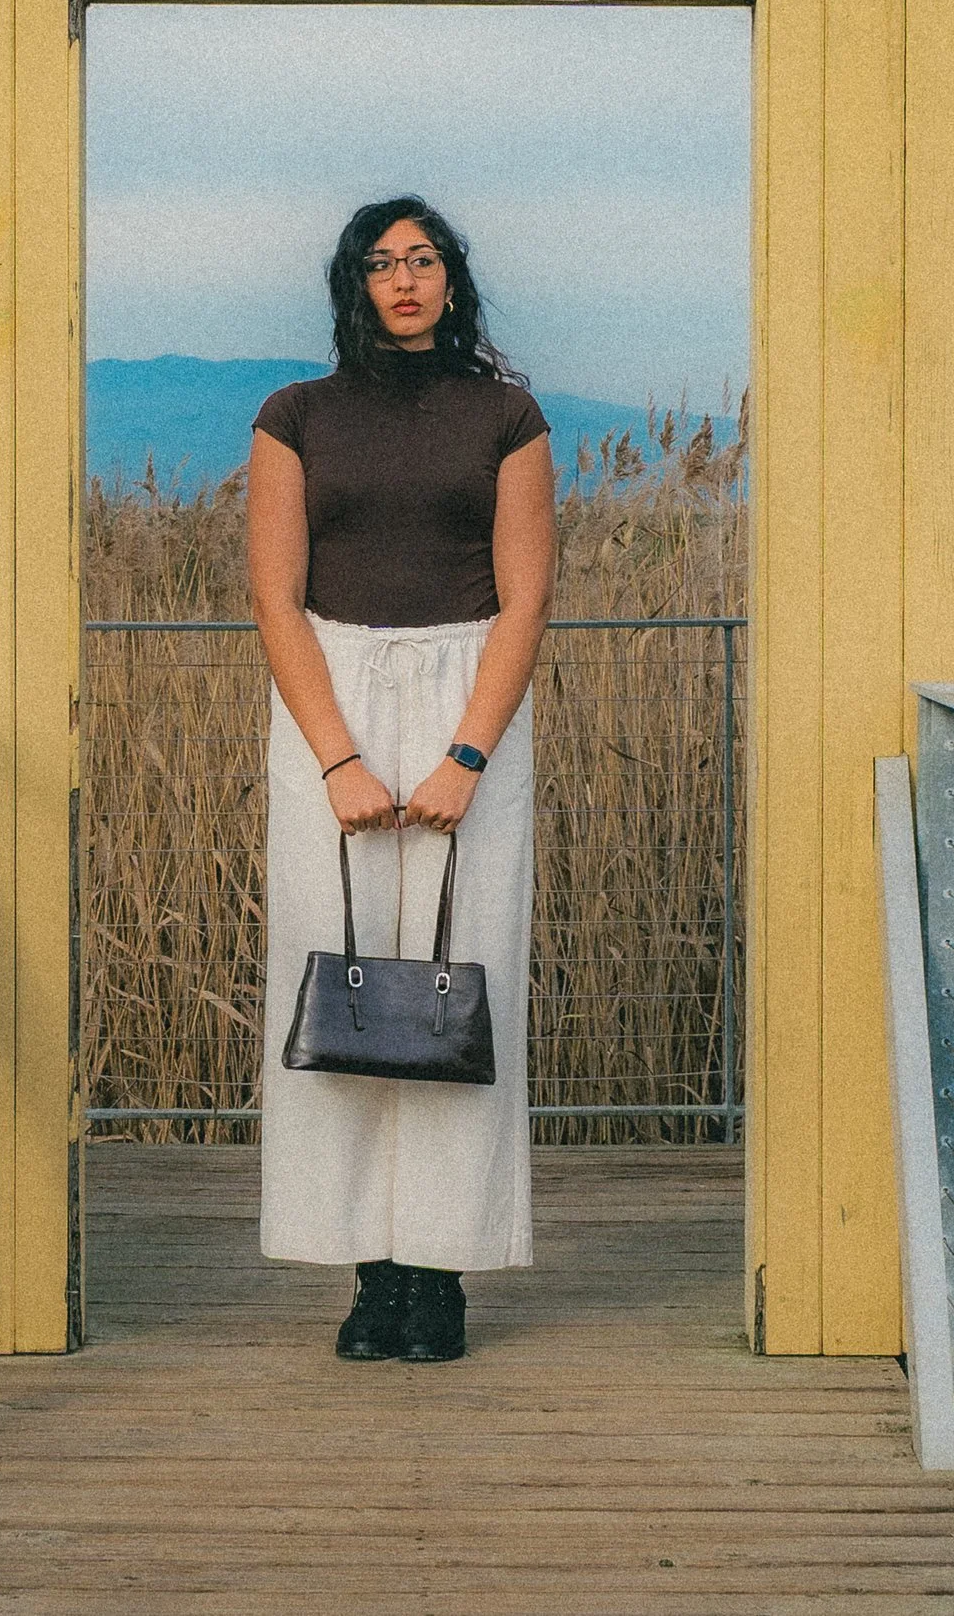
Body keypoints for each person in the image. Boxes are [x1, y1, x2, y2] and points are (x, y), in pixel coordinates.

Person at [246, 197, 556, 1362]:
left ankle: (440, 1276)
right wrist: (335, 754)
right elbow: (276, 596)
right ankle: (369, 1278)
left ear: (450, 278)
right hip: (329, 696)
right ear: (355, 282)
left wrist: (467, 752)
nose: (404, 279)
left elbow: (525, 595)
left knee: (455, 971)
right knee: (336, 969)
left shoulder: (505, 417)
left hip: (468, 693)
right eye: (382, 263)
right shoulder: (296, 416)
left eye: (422, 259)